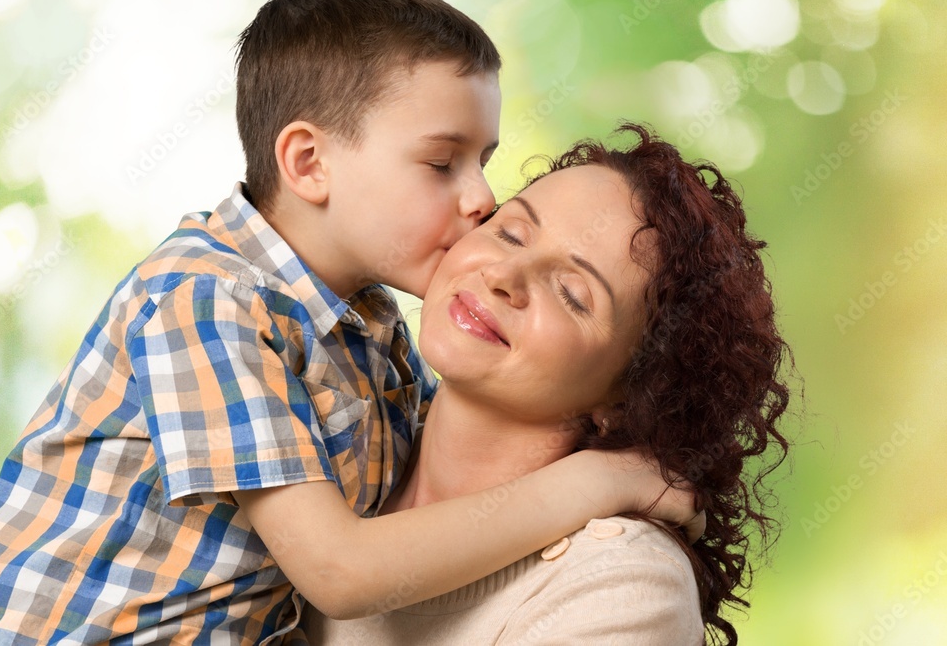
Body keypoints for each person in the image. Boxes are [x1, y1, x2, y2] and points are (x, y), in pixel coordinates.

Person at [0, 0, 700, 646]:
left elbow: (474, 453)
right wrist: (603, 482)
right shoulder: (204, 300)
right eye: (443, 163)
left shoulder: (370, 327)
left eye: (485, 163)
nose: (479, 199)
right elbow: (340, 573)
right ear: (308, 163)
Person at [304, 123, 793, 645]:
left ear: (629, 394)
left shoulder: (623, 585)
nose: (505, 275)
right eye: (509, 233)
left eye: (571, 293)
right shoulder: (344, 435)